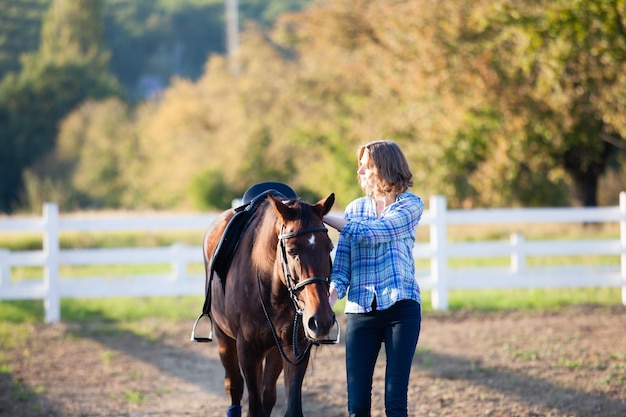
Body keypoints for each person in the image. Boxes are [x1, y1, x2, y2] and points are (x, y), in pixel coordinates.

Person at [323, 139, 424, 417]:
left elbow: (378, 232)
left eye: (366, 167)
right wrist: (327, 303)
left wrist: (322, 216)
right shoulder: (354, 209)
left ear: (384, 168)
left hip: (402, 309)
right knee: (357, 408)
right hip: (360, 311)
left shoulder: (411, 205)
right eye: (360, 167)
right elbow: (342, 268)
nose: (360, 173)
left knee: (395, 404)